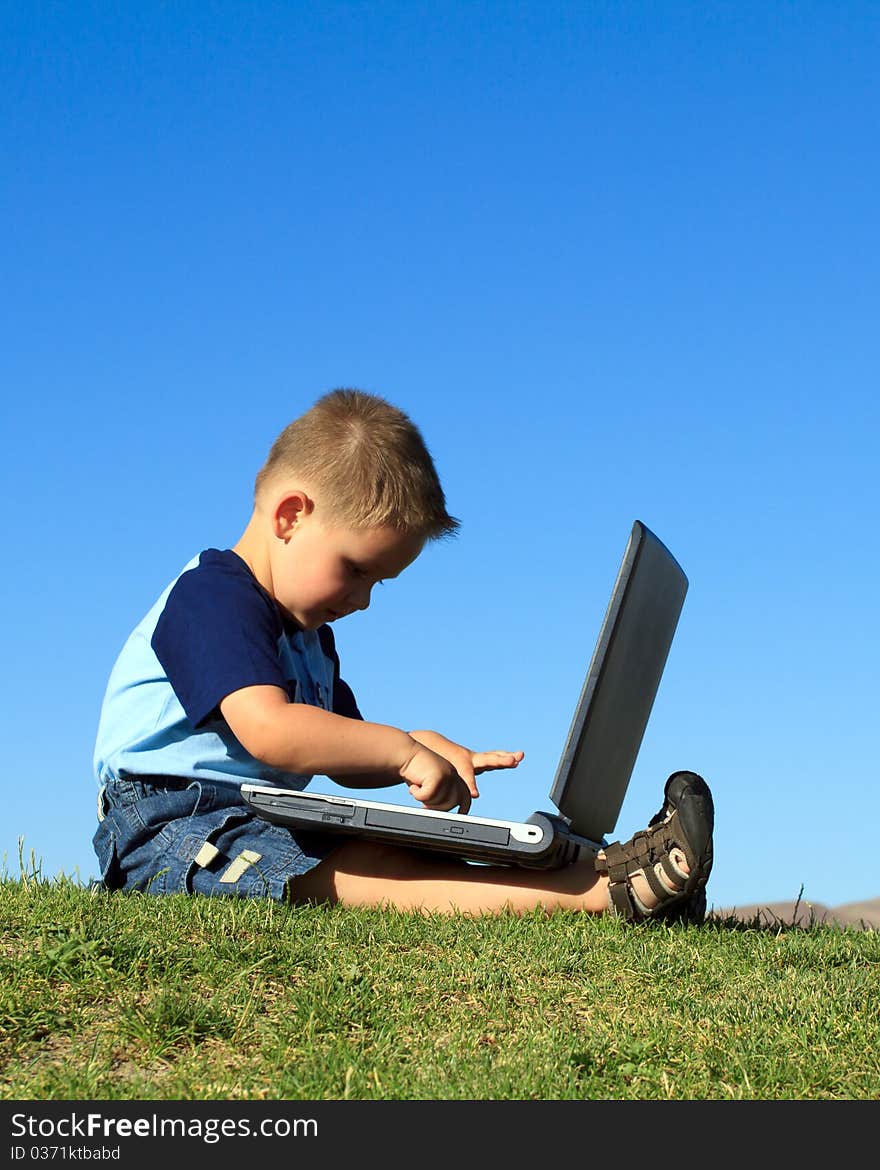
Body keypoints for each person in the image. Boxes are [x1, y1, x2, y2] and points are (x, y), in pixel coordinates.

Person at [93, 389, 714, 921]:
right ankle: (601, 894)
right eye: (356, 570)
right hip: (173, 826)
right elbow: (271, 731)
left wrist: (414, 748)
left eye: (377, 583)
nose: (362, 601)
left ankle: (618, 865)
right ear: (290, 516)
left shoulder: (310, 635)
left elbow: (341, 750)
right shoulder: (212, 597)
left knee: (418, 852)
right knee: (362, 872)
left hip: (267, 816)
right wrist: (397, 748)